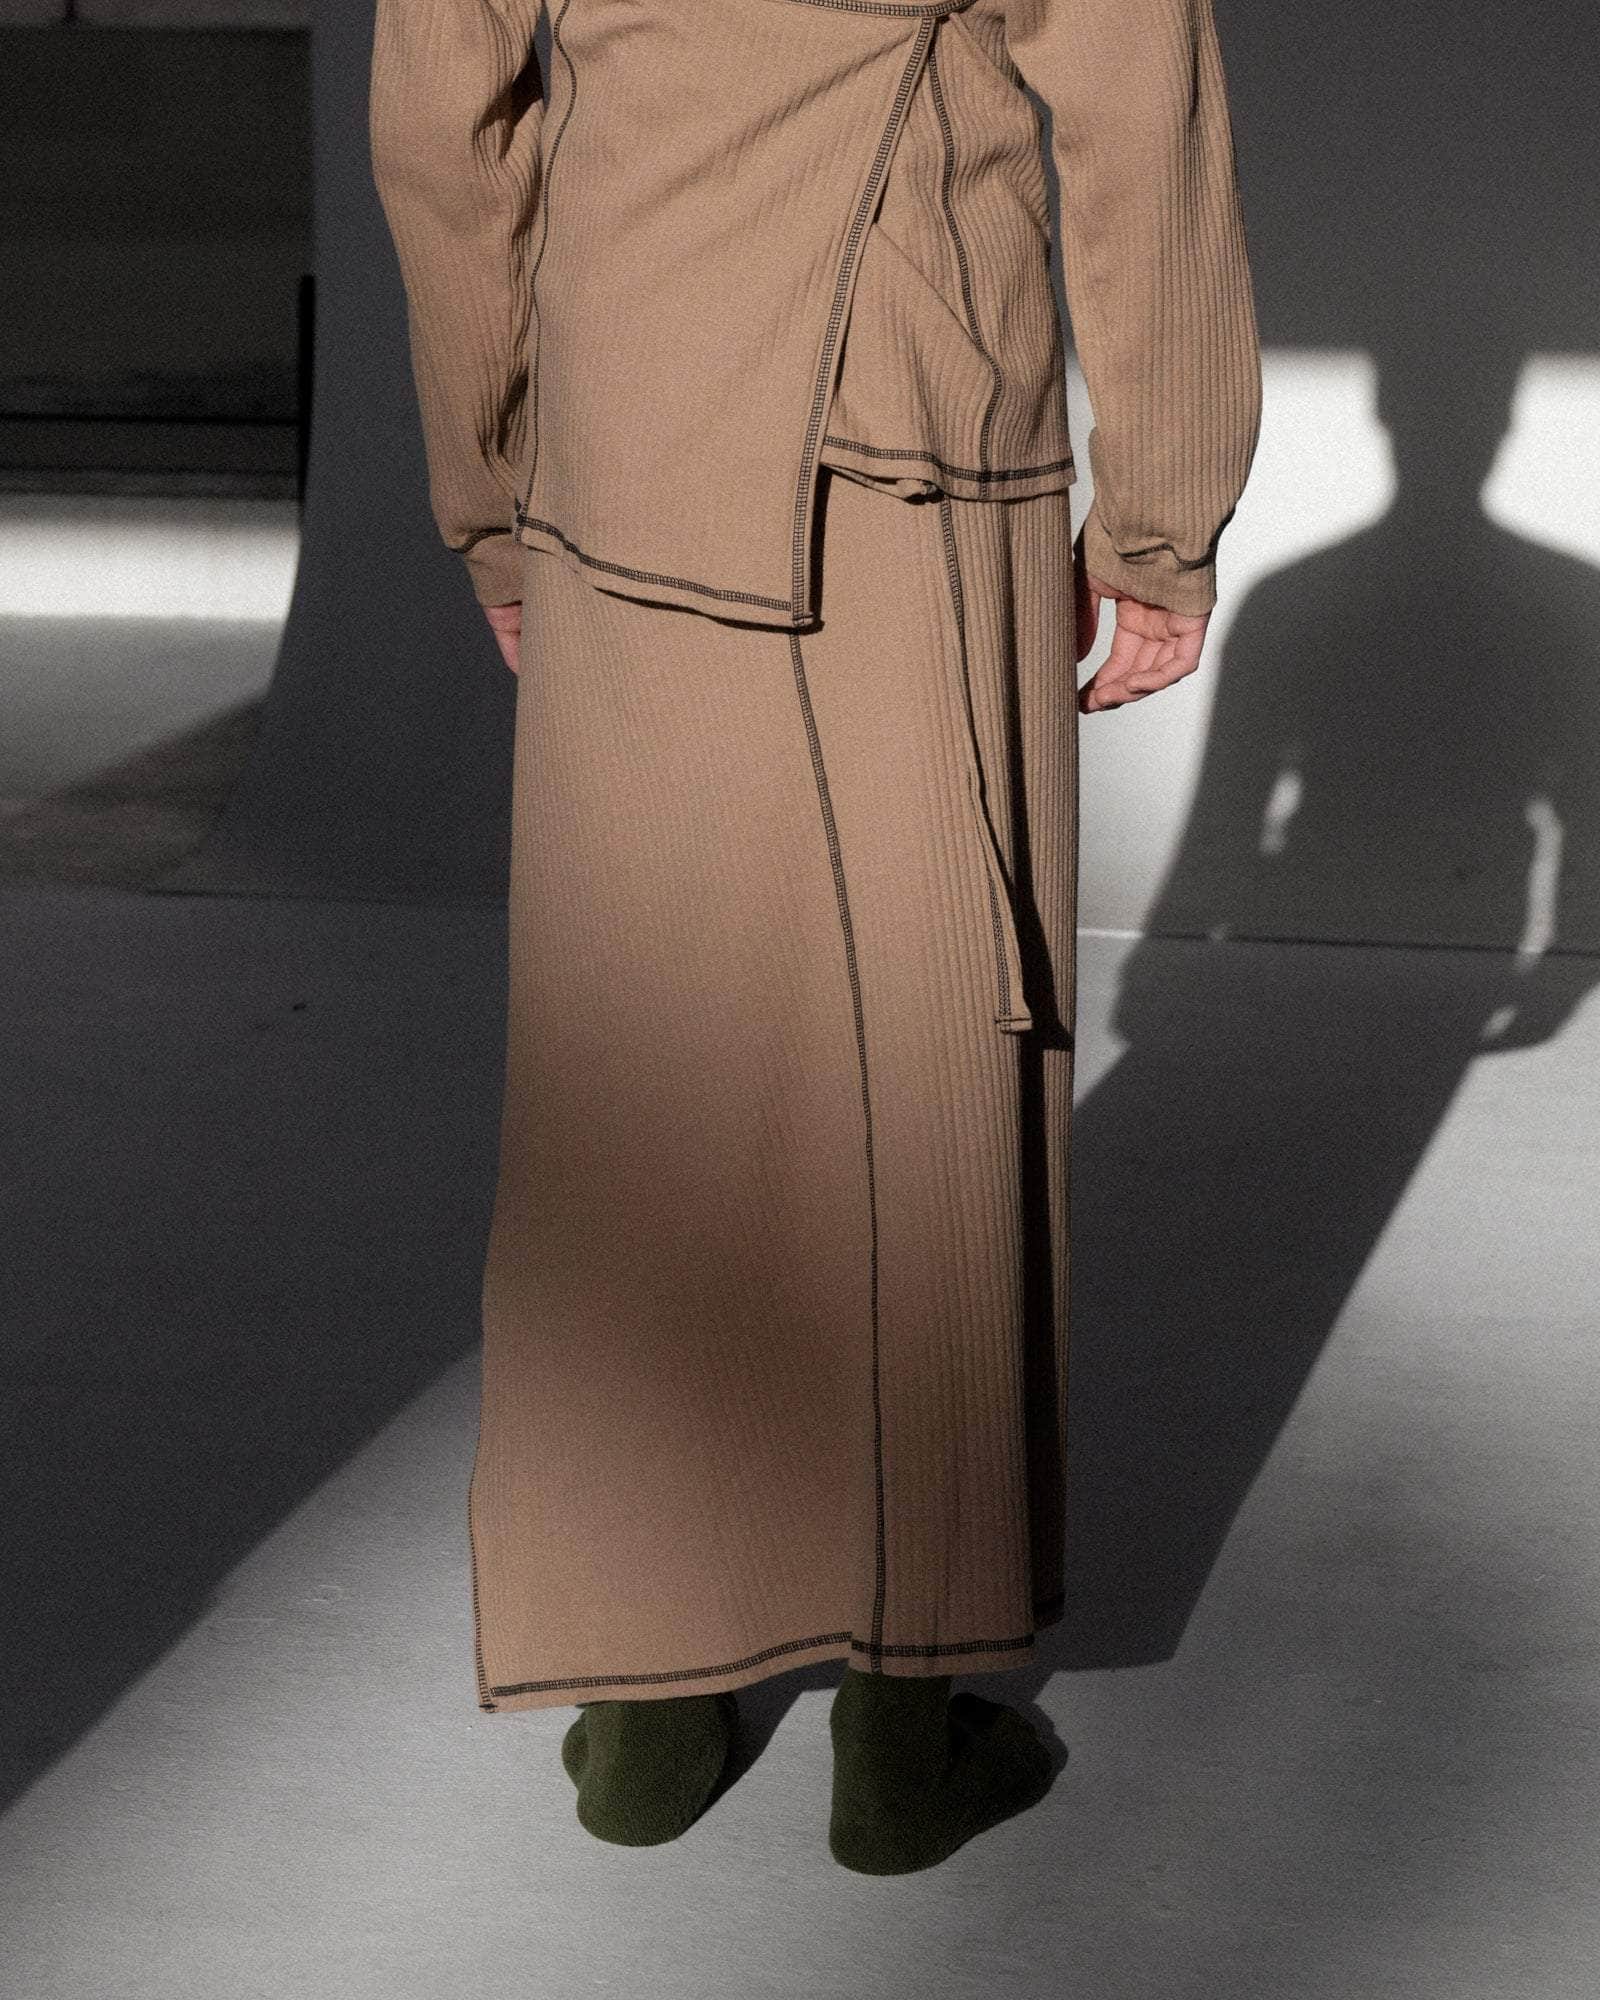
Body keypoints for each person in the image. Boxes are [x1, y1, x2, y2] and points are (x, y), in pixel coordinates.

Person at [369, 0, 1261, 1874]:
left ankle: (644, 1721)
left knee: (642, 1071)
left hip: (624, 448)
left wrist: (493, 491)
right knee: (926, 1078)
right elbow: (1137, 111)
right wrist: (1164, 520)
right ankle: (899, 1740)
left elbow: (449, 129)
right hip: (906, 448)